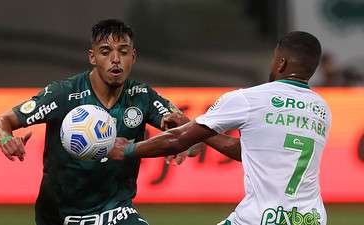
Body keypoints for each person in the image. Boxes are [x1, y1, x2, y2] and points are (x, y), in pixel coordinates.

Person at [0, 19, 201, 225]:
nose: (115, 59)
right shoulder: (63, 93)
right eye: (106, 52)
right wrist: (6, 138)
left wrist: (185, 138)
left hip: (115, 211)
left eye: (123, 52)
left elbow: (196, 145)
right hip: (59, 214)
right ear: (93, 57)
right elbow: (1, 121)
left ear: (133, 57)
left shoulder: (142, 96)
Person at [109, 31, 332, 225]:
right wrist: (196, 130)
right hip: (311, 218)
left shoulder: (249, 99)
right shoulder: (321, 110)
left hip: (263, 217)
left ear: (281, 63)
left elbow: (177, 140)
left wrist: (128, 149)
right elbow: (255, 152)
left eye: (274, 59)